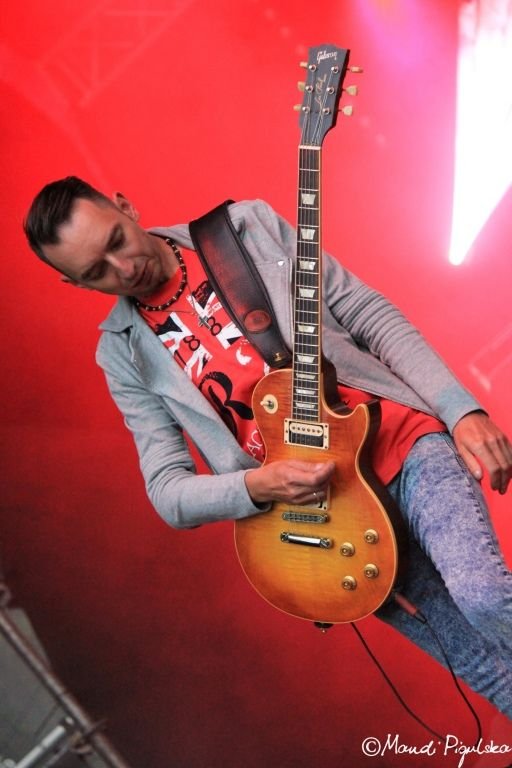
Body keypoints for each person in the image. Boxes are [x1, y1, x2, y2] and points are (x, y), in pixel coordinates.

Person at [24, 176, 512, 719]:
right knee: (485, 668)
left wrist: (460, 410)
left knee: (484, 595)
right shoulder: (122, 353)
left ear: (124, 206)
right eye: (96, 272)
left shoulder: (241, 229)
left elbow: (364, 313)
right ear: (74, 283)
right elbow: (167, 492)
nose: (123, 269)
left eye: (117, 240)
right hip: (328, 522)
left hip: (395, 440)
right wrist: (257, 486)